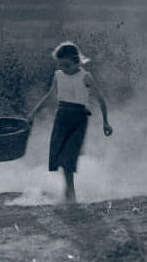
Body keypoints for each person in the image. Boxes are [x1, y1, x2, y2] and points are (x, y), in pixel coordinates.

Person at [26, 41, 113, 204]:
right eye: (61, 65)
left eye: (66, 65)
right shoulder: (58, 75)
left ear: (76, 60)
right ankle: (68, 191)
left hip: (78, 119)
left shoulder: (85, 77)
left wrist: (106, 123)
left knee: (69, 156)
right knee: (60, 157)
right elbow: (49, 96)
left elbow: (101, 99)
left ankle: (69, 193)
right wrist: (33, 114)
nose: (63, 69)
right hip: (62, 118)